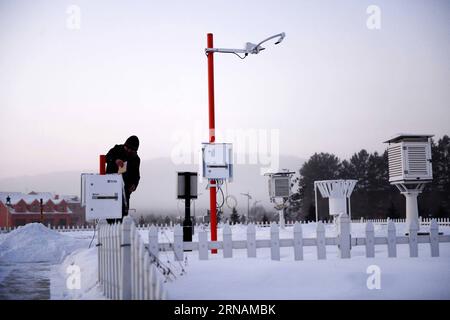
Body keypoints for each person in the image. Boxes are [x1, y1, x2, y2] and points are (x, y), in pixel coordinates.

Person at [105, 135, 141, 224]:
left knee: (123, 218)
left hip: (125, 192)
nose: (128, 151)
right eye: (127, 148)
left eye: (132, 150)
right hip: (110, 188)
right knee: (109, 217)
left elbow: (137, 175)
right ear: (124, 145)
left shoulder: (136, 159)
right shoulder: (117, 149)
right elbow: (106, 158)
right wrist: (115, 160)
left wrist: (134, 185)